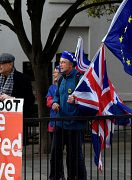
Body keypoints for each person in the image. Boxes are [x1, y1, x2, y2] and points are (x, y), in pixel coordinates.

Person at [50, 51, 87, 180]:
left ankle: (77, 177)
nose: (60, 64)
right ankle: (55, 177)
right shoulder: (60, 79)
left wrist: (77, 100)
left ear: (71, 65)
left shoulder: (80, 78)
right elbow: (57, 96)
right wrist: (55, 103)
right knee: (55, 153)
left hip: (74, 124)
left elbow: (89, 99)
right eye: (60, 62)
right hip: (60, 123)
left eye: (63, 62)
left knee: (74, 156)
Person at [0, 53, 35, 140]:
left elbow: (30, 99)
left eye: (1, 63)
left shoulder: (23, 78)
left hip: (16, 121)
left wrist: (12, 99)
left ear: (10, 64)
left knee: (14, 148)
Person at [46, 65, 61, 139]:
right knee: (55, 148)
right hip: (53, 121)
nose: (53, 74)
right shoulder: (52, 87)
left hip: (66, 123)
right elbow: (48, 102)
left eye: (55, 72)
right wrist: (55, 103)